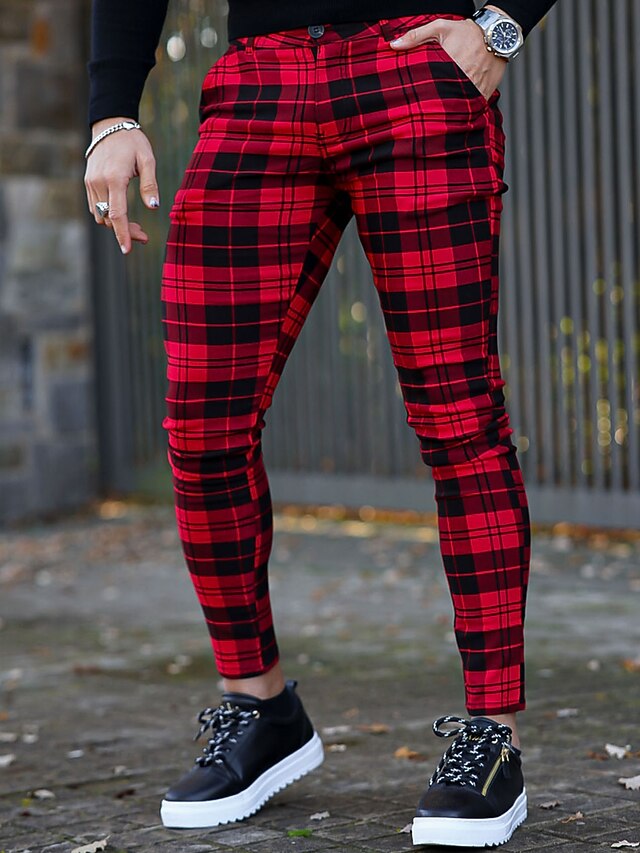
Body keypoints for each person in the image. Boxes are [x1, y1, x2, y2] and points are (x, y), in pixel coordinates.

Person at [85, 0, 557, 846]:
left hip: (412, 64)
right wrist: (111, 112)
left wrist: (502, 26)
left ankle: (493, 733)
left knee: (459, 418)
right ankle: (260, 706)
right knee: (201, 423)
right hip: (259, 82)